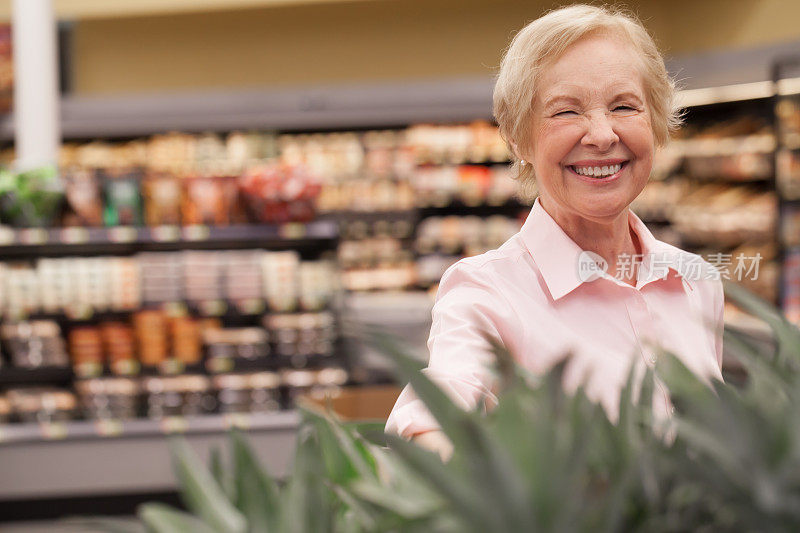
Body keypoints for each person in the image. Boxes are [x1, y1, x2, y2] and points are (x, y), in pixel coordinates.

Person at [385, 4, 725, 460]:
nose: (602, 135)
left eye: (624, 106)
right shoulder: (489, 293)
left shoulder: (696, 281)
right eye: (566, 112)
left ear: (657, 121)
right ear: (518, 138)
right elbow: (437, 412)